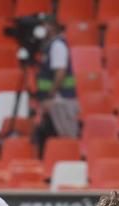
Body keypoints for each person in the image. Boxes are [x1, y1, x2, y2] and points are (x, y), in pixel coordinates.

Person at [32, 15, 79, 153]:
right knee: (52, 137)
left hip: (60, 101)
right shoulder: (49, 46)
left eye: (44, 26)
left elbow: (60, 73)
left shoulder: (57, 45)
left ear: (51, 27)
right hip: (56, 101)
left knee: (65, 138)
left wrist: (50, 95)